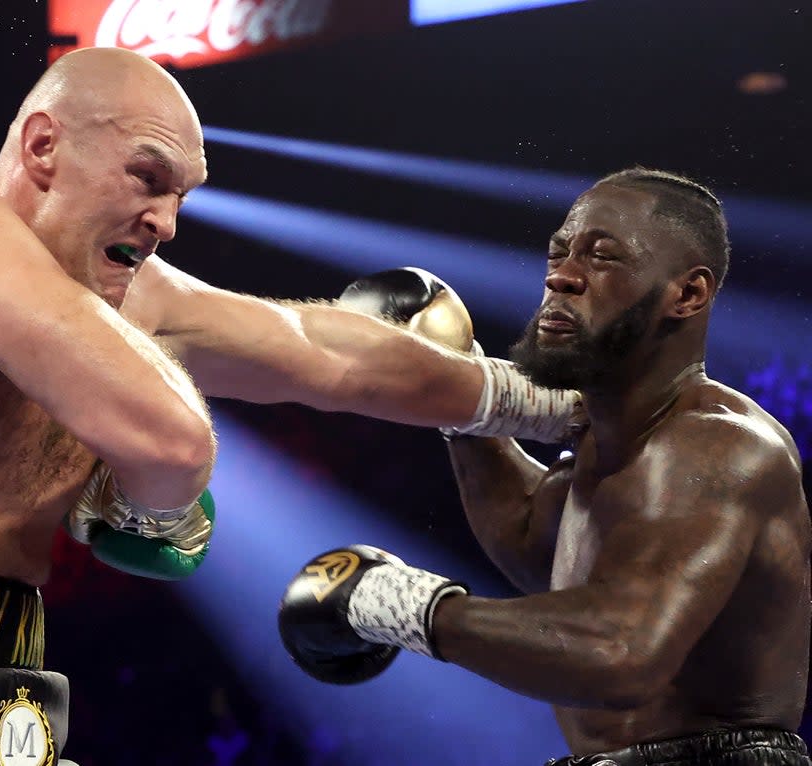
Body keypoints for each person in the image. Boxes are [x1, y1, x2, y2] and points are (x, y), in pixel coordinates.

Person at [0, 46, 580, 764]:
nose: (166, 222)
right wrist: (149, 500)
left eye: (181, 196)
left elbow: (322, 349)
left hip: (2, 683)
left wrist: (551, 406)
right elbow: (171, 443)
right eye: (147, 177)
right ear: (42, 147)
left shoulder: (134, 297)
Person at [278, 169, 812, 766]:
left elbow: (619, 650)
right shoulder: (610, 447)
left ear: (686, 295)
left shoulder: (715, 446)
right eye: (559, 252)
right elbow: (535, 546)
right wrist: (452, 391)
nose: (561, 276)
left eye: (602, 257)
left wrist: (393, 601)